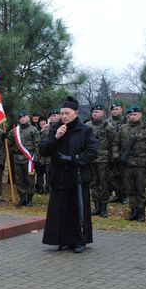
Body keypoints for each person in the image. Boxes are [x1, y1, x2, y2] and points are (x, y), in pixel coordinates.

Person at [39, 96, 99, 253]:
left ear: (76, 113)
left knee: (77, 209)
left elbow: (92, 152)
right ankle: (62, 239)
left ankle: (80, 240)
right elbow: (43, 150)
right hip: (59, 176)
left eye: (67, 113)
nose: (64, 116)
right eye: (62, 113)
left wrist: (73, 159)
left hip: (77, 177)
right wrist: (55, 137)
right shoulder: (55, 128)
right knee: (61, 210)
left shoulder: (85, 130)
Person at [112, 105, 146, 222]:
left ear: (140, 115)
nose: (132, 117)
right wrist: (116, 157)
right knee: (130, 189)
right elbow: (116, 143)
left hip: (141, 165)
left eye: (135, 114)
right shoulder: (123, 129)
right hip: (126, 165)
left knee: (140, 189)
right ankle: (133, 211)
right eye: (130, 115)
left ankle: (141, 212)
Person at [86, 104, 115, 218]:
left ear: (102, 113)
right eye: (93, 112)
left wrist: (112, 159)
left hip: (103, 160)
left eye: (97, 112)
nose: (95, 114)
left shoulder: (108, 126)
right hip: (91, 159)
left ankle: (104, 208)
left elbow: (113, 142)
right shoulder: (87, 126)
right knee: (93, 184)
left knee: (104, 183)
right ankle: (96, 206)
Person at [7, 111, 40, 206]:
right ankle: (22, 198)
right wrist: (4, 138)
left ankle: (29, 199)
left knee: (30, 180)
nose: (22, 119)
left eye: (24, 117)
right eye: (21, 117)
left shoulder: (33, 130)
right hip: (17, 158)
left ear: (28, 118)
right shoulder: (14, 130)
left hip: (29, 159)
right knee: (19, 180)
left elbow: (37, 145)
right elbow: (8, 143)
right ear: (19, 119)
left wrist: (36, 159)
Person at [109, 101, 127, 204]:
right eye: (113, 109)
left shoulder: (127, 121)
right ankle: (117, 194)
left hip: (123, 152)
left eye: (117, 109)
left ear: (121, 110)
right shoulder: (107, 122)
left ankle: (124, 195)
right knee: (113, 175)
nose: (114, 111)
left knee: (124, 175)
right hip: (111, 152)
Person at [34, 116, 49, 195]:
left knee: (48, 172)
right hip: (39, 156)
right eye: (41, 121)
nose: (43, 122)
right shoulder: (36, 131)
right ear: (39, 123)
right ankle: (40, 188)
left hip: (48, 156)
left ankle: (48, 188)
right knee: (39, 172)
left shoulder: (50, 130)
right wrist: (41, 131)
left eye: (44, 121)